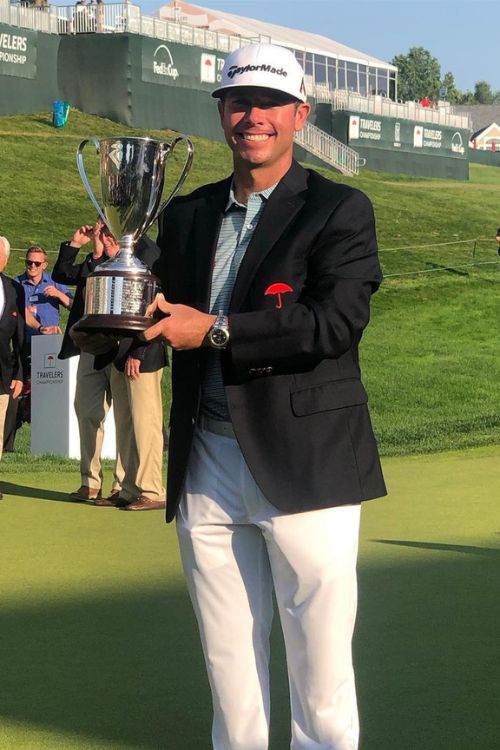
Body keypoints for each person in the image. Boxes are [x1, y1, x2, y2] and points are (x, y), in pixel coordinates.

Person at [142, 42, 387, 750]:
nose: (254, 115)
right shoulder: (186, 214)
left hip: (307, 461)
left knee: (322, 672)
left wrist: (213, 331)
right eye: (240, 101)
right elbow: (164, 319)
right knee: (229, 667)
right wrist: (121, 316)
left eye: (271, 103)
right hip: (208, 462)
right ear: (222, 112)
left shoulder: (340, 209)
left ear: (299, 115)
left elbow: (333, 325)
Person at [54, 221, 166, 510]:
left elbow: (152, 308)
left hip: (137, 349)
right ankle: (127, 489)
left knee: (142, 421)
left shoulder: (148, 255)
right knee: (121, 419)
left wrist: (139, 350)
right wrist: (95, 250)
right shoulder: (105, 260)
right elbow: (64, 274)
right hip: (105, 350)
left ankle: (150, 489)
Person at [3, 245, 73, 452]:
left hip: (50, 348)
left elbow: (75, 305)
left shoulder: (55, 282)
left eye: (36, 263)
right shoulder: (16, 284)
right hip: (24, 346)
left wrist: (59, 296)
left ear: (45, 264)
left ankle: (50, 445)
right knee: (16, 393)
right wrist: (40, 327)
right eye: (28, 262)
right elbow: (22, 312)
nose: (31, 267)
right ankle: (7, 446)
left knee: (48, 396)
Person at [0, 236, 25, 499]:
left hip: (2, 372)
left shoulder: (14, 289)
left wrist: (20, 374)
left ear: (5, 259)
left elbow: (19, 338)